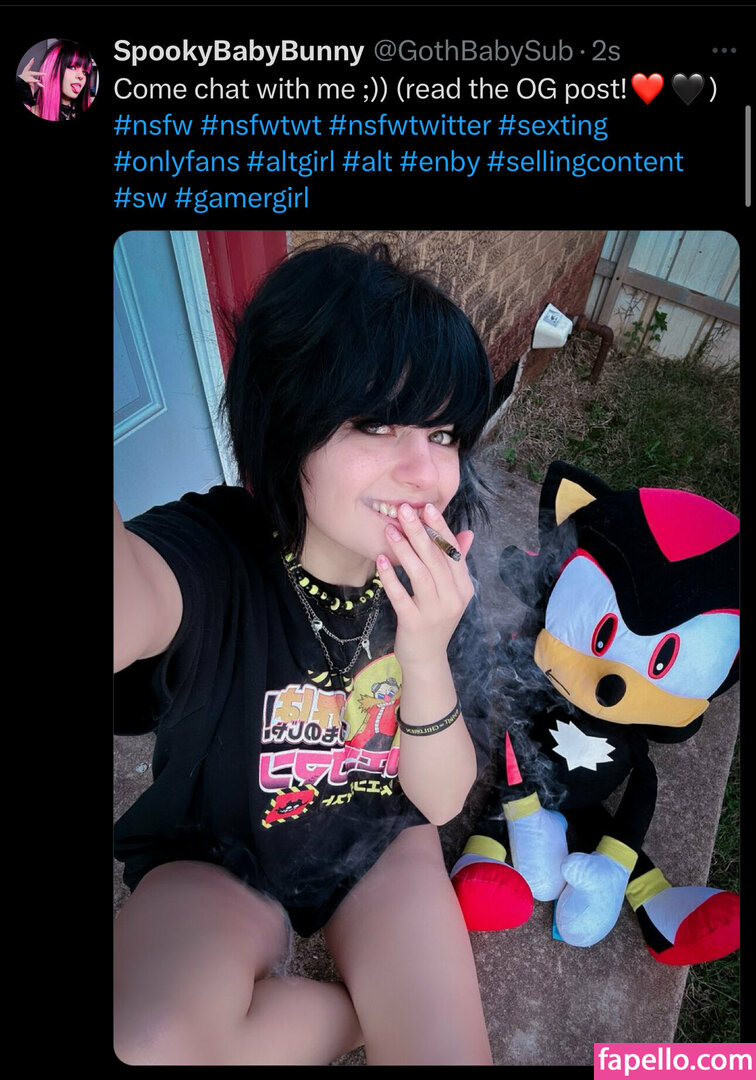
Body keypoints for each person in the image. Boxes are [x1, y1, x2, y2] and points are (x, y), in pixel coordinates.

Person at [113, 240, 495, 1065]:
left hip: (380, 843)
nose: (423, 472)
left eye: (442, 432)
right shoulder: (213, 554)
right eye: (375, 423)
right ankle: (351, 1016)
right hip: (222, 852)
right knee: (146, 1041)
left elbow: (439, 799)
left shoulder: (434, 575)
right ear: (287, 428)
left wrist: (426, 650)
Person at [19, 39, 93, 120]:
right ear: (52, 70)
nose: (81, 76)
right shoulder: (35, 112)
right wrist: (23, 96)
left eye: (84, 72)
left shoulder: (89, 103)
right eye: (72, 67)